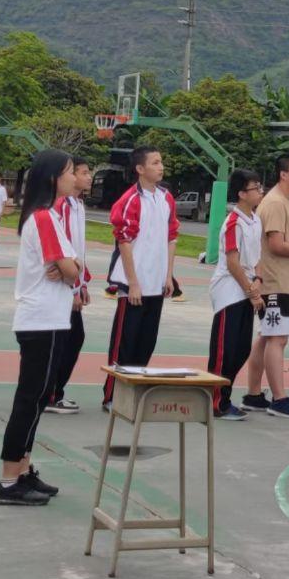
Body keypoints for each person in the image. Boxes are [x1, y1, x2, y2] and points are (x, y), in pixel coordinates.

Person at [0, 150, 85, 506]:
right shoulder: (45, 218)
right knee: (29, 400)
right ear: (53, 178)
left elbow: (68, 266)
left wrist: (68, 266)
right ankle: (7, 480)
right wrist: (70, 266)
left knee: (36, 398)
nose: (73, 178)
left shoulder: (48, 217)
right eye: (67, 172)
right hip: (42, 319)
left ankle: (22, 468)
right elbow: (71, 269)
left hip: (49, 317)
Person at [101, 149, 181, 404]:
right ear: (140, 169)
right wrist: (132, 283)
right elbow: (123, 241)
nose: (161, 166)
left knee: (147, 340)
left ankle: (134, 391)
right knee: (125, 342)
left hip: (156, 283)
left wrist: (168, 276)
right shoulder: (130, 200)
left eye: (161, 161)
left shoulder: (166, 198)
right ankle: (112, 394)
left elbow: (171, 237)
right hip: (133, 284)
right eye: (155, 162)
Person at [240, 156, 289, 417]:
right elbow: (275, 245)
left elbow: (283, 242)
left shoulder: (283, 203)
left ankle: (254, 394)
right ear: (283, 174)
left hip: (282, 281)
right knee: (277, 339)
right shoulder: (274, 203)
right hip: (276, 282)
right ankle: (279, 399)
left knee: (267, 336)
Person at [204, 169, 267, 420]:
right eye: (256, 188)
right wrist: (252, 291)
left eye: (261, 187)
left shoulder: (255, 219)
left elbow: (257, 257)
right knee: (224, 350)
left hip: (247, 289)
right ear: (242, 193)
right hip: (230, 291)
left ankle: (225, 398)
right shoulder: (234, 222)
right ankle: (214, 402)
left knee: (241, 349)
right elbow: (233, 262)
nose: (260, 192)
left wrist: (259, 279)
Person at [41, 158, 98, 414]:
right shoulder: (61, 206)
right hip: (64, 284)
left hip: (74, 281)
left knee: (73, 338)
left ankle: (55, 391)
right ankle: (51, 393)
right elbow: (64, 248)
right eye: (84, 173)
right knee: (66, 339)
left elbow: (78, 250)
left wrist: (82, 283)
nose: (89, 177)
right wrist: (73, 286)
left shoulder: (77, 204)